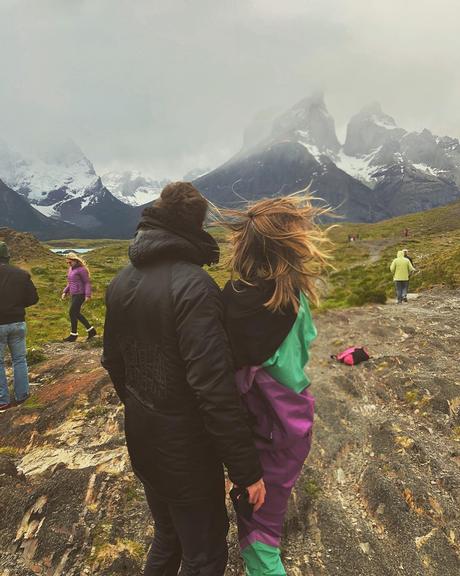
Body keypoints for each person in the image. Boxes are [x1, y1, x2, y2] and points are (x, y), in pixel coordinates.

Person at [101, 182, 265, 576]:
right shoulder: (195, 286)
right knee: (204, 554)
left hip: (142, 437)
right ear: (196, 226)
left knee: (167, 537)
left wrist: (147, 408)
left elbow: (113, 362)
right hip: (186, 452)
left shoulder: (121, 280)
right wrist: (246, 470)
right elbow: (213, 387)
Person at [220, 194, 332, 576]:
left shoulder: (230, 304)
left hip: (263, 431)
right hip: (294, 423)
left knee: (259, 540)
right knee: (267, 514)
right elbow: (306, 345)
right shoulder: (296, 297)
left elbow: (220, 384)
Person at [0, 241, 39, 412]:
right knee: (19, 359)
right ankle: (22, 396)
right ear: (7, 256)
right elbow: (33, 299)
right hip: (18, 322)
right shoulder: (21, 274)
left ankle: (3, 400)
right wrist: (16, 305)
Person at [61, 253, 96, 342]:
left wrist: (87, 295)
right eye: (67, 263)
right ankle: (91, 330)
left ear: (75, 261)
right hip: (74, 294)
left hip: (80, 294)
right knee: (75, 313)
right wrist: (65, 291)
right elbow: (70, 282)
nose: (69, 264)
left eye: (70, 262)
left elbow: (87, 282)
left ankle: (74, 334)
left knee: (72, 312)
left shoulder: (82, 270)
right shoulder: (70, 269)